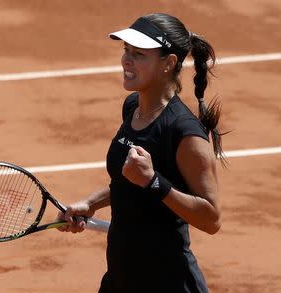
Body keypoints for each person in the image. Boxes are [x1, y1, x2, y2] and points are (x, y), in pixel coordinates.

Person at [57, 13, 225, 292]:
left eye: (139, 54)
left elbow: (212, 219)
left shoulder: (184, 133)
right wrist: (91, 203)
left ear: (168, 63)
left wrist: (153, 181)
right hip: (122, 277)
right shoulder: (133, 107)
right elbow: (129, 181)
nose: (126, 60)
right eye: (126, 50)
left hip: (168, 282)